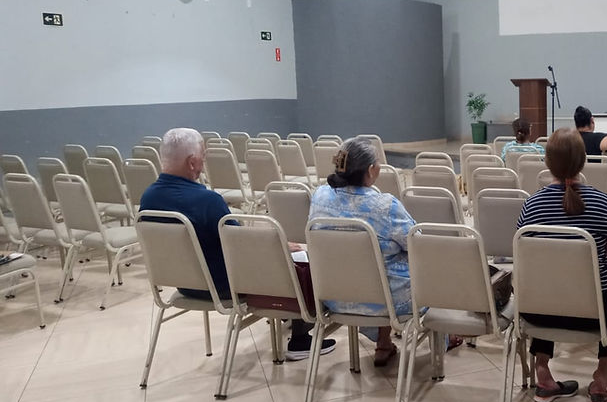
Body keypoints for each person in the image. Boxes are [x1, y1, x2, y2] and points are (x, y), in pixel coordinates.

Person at [140, 128, 334, 362]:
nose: (204, 160)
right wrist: (280, 247)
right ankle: (300, 339)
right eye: (203, 155)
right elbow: (241, 248)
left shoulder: (148, 198)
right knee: (294, 262)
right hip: (222, 286)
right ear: (192, 162)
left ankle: (287, 314)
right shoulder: (207, 201)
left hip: (183, 284)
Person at [308, 137, 458, 367]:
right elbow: (418, 244)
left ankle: (383, 343)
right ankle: (446, 335)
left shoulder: (320, 196)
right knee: (423, 267)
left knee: (376, 267)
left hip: (335, 295)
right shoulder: (384, 206)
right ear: (371, 170)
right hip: (387, 301)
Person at [516, 128, 607, 402]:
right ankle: (600, 381)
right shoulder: (605, 205)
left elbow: (525, 265)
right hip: (595, 315)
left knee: (545, 285)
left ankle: (543, 373)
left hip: (539, 312)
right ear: (583, 161)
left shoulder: (531, 207)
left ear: (547, 162)